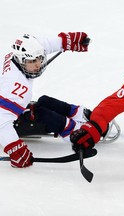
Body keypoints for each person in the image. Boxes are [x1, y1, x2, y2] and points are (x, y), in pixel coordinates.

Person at [0, 32, 90, 168]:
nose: (37, 65)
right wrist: (15, 149)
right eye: (32, 62)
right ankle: (75, 131)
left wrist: (65, 42)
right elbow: (1, 120)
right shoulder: (17, 86)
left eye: (39, 59)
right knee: (40, 114)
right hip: (3, 118)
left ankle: (78, 113)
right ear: (20, 60)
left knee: (44, 101)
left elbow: (43, 45)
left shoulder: (17, 56)